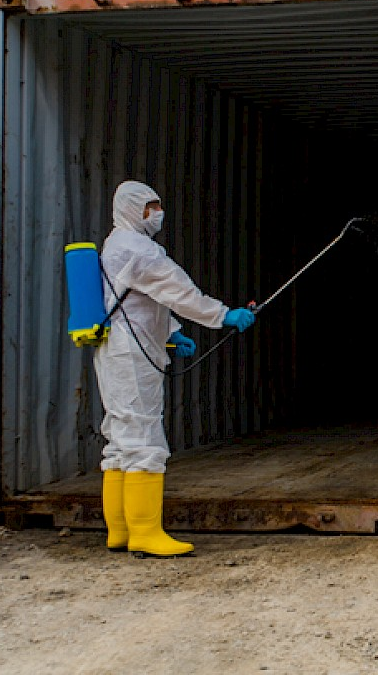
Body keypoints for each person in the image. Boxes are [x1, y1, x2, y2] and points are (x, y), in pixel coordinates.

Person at [94, 180, 256, 557]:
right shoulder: (138, 249)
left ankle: (120, 531)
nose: (158, 212)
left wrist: (171, 334)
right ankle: (146, 533)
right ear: (134, 209)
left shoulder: (117, 245)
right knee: (143, 436)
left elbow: (138, 300)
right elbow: (178, 291)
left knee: (120, 437)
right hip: (130, 353)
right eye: (151, 206)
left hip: (119, 348)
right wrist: (222, 315)